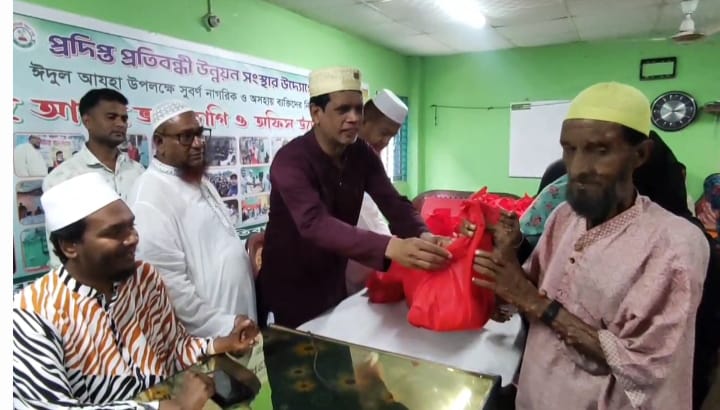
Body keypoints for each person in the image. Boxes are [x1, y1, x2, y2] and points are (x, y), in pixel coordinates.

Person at [471, 82, 709, 409]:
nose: (578, 168)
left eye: (600, 150)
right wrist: (505, 255)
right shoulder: (563, 217)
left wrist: (533, 301)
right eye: (569, 149)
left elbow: (645, 368)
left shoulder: (675, 243)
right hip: (535, 398)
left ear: (640, 154)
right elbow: (530, 294)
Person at [13, 172, 258, 409]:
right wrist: (174, 408)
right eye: (114, 232)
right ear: (69, 246)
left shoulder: (144, 278)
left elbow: (174, 350)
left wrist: (221, 344)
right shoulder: (30, 315)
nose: (132, 238)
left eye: (131, 226)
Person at [257, 67, 451, 328]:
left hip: (332, 279)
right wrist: (391, 246)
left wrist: (423, 234)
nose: (354, 118)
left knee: (336, 345)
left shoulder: (361, 153)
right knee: (293, 350)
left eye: (358, 109)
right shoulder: (290, 161)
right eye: (343, 110)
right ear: (316, 113)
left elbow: (392, 201)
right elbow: (314, 223)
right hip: (289, 286)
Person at [127, 100, 257, 338]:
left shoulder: (197, 180)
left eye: (199, 134)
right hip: (210, 335)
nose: (198, 143)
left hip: (237, 319)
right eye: (186, 137)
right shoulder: (149, 197)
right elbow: (169, 286)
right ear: (159, 142)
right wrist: (222, 325)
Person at [43, 88, 145, 269]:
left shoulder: (138, 171)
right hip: (93, 279)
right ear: (87, 121)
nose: (121, 124)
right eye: (111, 117)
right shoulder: (63, 177)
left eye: (124, 118)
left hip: (139, 274)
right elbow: (59, 252)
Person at [344, 89, 408, 294]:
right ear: (363, 122)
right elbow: (366, 215)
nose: (386, 141)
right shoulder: (342, 156)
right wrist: (397, 249)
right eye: (384, 132)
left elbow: (391, 203)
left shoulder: (370, 159)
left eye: (392, 136)